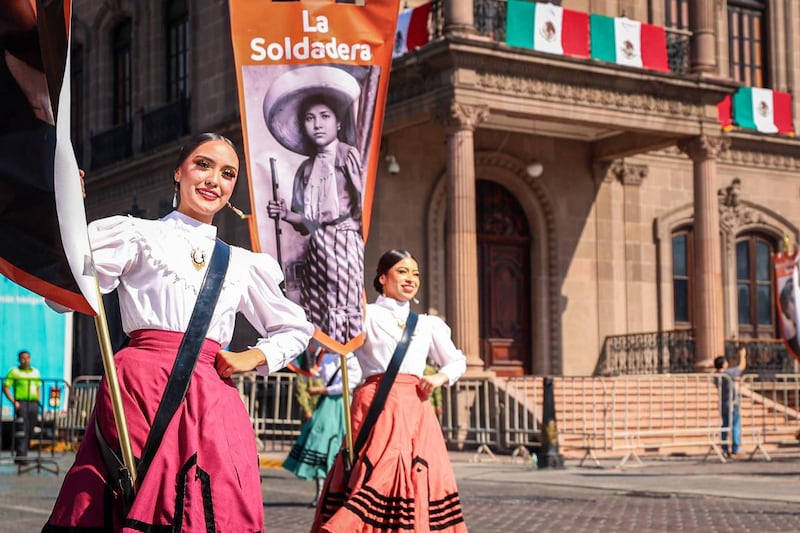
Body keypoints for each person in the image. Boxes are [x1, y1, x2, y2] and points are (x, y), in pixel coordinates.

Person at [43, 133, 314, 532]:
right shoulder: (137, 235)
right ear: (178, 171)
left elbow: (294, 328)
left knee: (206, 507)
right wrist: (67, 217)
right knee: (129, 496)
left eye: (227, 173)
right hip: (138, 388)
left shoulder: (243, 263)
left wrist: (249, 357)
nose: (213, 180)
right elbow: (61, 297)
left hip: (209, 400)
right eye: (202, 164)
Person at [312, 249, 468, 532]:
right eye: (402, 271)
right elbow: (335, 340)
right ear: (382, 277)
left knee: (419, 472)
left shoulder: (427, 324)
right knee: (376, 472)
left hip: (416, 410)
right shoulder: (366, 315)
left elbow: (457, 360)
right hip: (376, 405)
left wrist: (440, 377)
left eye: (415, 273)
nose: (410, 279)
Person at [265, 65, 364, 345]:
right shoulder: (306, 170)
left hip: (344, 242)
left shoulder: (348, 156)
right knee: (318, 302)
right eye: (310, 118)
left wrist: (351, 226)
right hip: (318, 247)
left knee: (343, 301)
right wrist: (286, 215)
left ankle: (346, 351)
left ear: (338, 122)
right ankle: (322, 359)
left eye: (324, 116)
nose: (317, 124)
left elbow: (361, 201)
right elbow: (308, 223)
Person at [282, 347, 362, 507]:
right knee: (320, 445)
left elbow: (349, 385)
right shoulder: (324, 356)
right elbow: (313, 374)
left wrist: (322, 389)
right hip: (326, 406)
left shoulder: (352, 359)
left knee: (345, 448)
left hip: (343, 404)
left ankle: (344, 494)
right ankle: (321, 494)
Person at [3, 350, 41, 463]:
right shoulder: (14, 372)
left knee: (31, 429)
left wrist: (38, 400)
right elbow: (5, 387)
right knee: (22, 429)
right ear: (19, 360)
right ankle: (21, 456)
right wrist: (14, 401)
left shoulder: (35, 372)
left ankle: (24, 452)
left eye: (28, 358)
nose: (25, 360)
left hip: (33, 403)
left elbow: (38, 386)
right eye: (23, 358)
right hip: (22, 403)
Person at [714, 346, 747, 458]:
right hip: (732, 403)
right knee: (735, 425)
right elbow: (741, 367)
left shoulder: (716, 375)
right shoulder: (727, 373)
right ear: (723, 364)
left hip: (723, 404)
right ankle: (735, 448)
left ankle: (724, 448)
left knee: (725, 425)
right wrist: (742, 355)